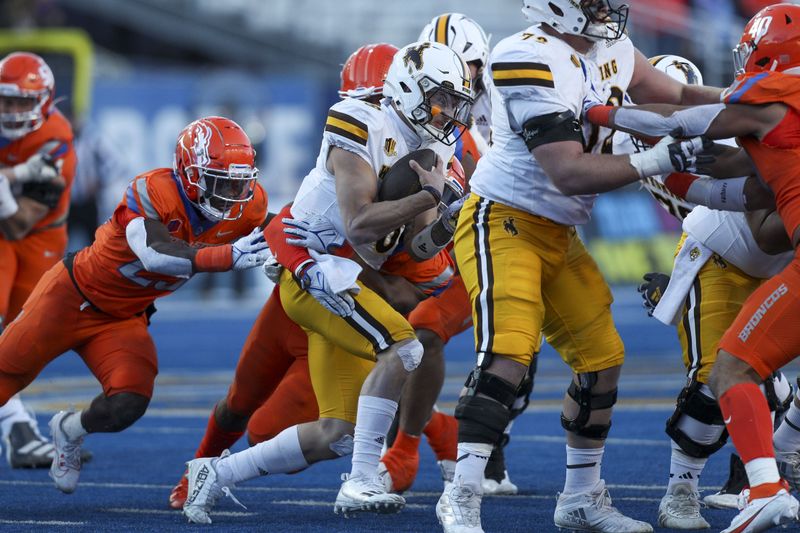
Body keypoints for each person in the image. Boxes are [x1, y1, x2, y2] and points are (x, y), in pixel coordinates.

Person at [435, 1, 726, 531]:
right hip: (505, 219)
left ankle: (580, 497)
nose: (607, 9)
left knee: (602, 359)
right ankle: (462, 495)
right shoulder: (523, 56)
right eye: (594, 1)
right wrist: (661, 158)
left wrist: (750, 105)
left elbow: (678, 95)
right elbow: (568, 171)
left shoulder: (610, 46)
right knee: (507, 354)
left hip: (559, 232)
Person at [181, 40, 473, 524]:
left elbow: (413, 249)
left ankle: (213, 473)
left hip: (347, 273)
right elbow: (359, 224)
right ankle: (361, 481)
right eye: (440, 98)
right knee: (404, 349)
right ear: (406, 88)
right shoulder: (359, 121)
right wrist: (425, 198)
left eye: (454, 101)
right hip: (313, 268)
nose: (448, 113)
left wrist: (445, 219)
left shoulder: (434, 143)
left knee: (336, 432)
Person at [585, 4, 800, 530]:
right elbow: (724, 193)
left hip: (774, 254)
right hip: (726, 255)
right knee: (716, 377)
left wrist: (598, 111)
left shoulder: (760, 100)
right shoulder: (760, 109)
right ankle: (688, 487)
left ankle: (771, 473)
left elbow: (684, 116)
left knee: (739, 370)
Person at [0, 116, 269, 494]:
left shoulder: (249, 205)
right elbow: (155, 255)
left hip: (123, 317)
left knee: (130, 402)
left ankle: (69, 429)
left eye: (237, 182)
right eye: (219, 180)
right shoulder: (152, 190)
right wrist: (226, 256)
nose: (231, 193)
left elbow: (277, 230)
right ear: (189, 173)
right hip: (71, 297)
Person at [0, 51, 83, 470]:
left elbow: (18, 223)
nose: (11, 111)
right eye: (5, 101)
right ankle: (17, 426)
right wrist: (11, 178)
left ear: (45, 100)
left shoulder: (55, 138)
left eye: (21, 102)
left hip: (38, 235)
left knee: (21, 339)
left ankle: (16, 428)